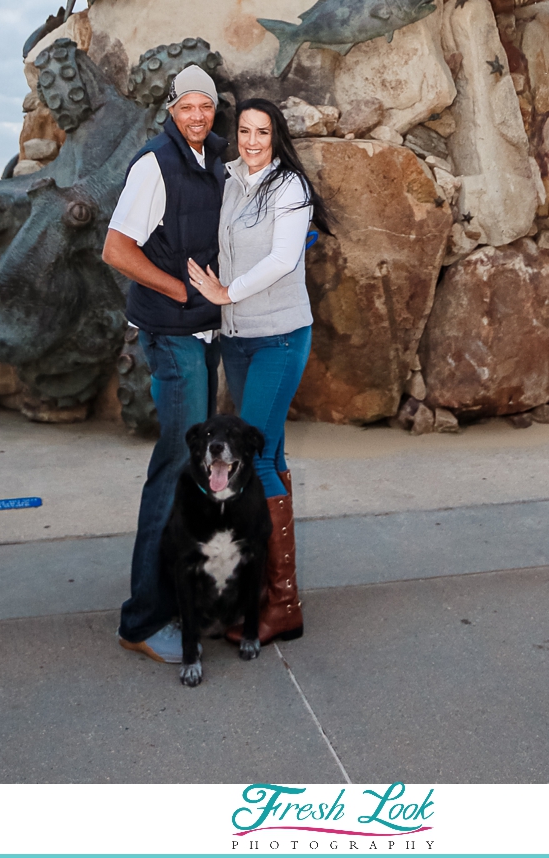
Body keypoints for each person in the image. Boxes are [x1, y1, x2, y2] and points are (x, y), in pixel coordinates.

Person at [187, 98, 333, 646]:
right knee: (270, 454)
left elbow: (282, 260)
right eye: (244, 131)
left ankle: (284, 604)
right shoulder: (227, 181)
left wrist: (227, 292)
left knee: (256, 460)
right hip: (238, 340)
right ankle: (265, 594)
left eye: (262, 132)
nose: (251, 141)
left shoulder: (288, 188)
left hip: (280, 336)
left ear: (277, 137)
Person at [102, 64, 226, 665]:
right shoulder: (155, 164)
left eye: (206, 106)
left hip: (202, 333)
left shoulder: (212, 159)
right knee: (173, 469)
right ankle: (144, 620)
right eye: (187, 107)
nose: (197, 116)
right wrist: (177, 291)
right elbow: (116, 248)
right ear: (170, 110)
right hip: (173, 336)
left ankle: (181, 599)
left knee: (193, 470)